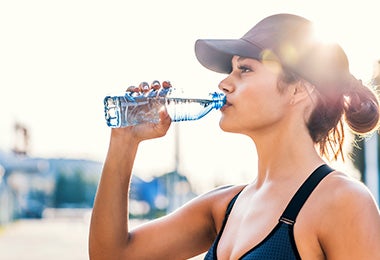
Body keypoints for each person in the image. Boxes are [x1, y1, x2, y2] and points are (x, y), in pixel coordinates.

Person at [89, 13, 380, 259]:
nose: (224, 82)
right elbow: (112, 254)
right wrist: (124, 142)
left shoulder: (343, 202)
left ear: (298, 89)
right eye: (231, 69)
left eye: (244, 69)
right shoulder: (224, 205)